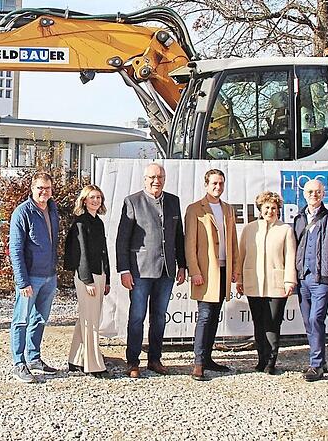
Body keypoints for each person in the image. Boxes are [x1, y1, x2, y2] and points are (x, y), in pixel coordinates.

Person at [116, 163, 187, 379]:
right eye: (152, 177)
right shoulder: (132, 201)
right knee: (137, 316)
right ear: (145, 179)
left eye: (161, 177)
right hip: (140, 270)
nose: (157, 181)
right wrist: (124, 270)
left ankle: (155, 359)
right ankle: (133, 361)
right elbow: (122, 239)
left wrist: (183, 265)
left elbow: (178, 236)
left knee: (159, 317)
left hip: (166, 271)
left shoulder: (173, 201)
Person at [185, 168, 239, 381]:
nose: (218, 187)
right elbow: (190, 244)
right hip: (206, 272)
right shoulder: (195, 209)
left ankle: (207, 358)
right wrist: (195, 271)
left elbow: (233, 240)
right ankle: (198, 363)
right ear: (206, 184)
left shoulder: (228, 209)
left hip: (224, 270)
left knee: (215, 315)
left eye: (221, 183)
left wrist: (235, 269)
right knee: (205, 316)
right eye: (214, 183)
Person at [292, 178, 328, 382]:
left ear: (323, 194)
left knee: (317, 319)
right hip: (302, 278)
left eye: (317, 192)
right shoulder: (298, 218)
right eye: (310, 192)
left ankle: (315, 365)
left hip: (322, 279)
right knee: (308, 321)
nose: (313, 195)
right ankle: (320, 359)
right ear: (304, 194)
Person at [235, 191, 296, 375]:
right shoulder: (249, 229)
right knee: (258, 323)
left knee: (272, 324)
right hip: (254, 283)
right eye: (267, 207)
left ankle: (271, 361)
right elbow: (241, 255)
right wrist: (239, 279)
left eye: (274, 208)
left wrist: (289, 281)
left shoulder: (285, 229)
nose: (270, 211)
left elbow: (290, 257)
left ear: (278, 210)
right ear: (260, 209)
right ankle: (260, 359)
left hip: (276, 284)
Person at [8, 172, 60, 383]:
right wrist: (23, 281)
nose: (43, 192)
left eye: (47, 188)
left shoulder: (52, 209)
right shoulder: (22, 213)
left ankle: (34, 357)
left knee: (39, 319)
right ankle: (19, 364)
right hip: (31, 278)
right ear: (32, 188)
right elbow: (16, 249)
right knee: (21, 320)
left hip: (49, 276)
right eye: (40, 188)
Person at [65, 185, 111, 378]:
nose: (96, 201)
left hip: (99, 275)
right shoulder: (80, 223)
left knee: (87, 317)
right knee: (91, 321)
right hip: (87, 277)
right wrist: (88, 281)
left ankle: (75, 359)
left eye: (98, 197)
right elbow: (80, 253)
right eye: (92, 197)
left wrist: (106, 277)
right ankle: (93, 365)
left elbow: (103, 251)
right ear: (84, 200)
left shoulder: (98, 222)